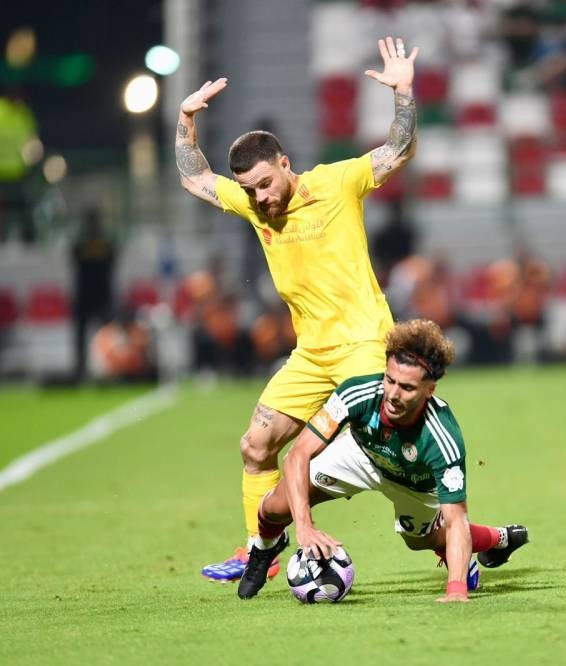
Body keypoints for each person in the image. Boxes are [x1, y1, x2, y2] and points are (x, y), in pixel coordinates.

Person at [175, 36, 420, 583]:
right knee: (255, 445)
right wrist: (186, 120)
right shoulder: (253, 205)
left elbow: (398, 150)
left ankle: (456, 544)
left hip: (363, 344)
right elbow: (194, 176)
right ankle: (258, 548)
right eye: (250, 190)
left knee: (384, 454)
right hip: (311, 355)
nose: (261, 197)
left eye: (266, 183)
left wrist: (403, 93)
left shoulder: (337, 182)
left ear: (286, 165)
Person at [236, 319, 529, 603]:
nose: (393, 395)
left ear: (430, 390)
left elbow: (456, 520)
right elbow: (297, 456)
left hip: (414, 484)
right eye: (390, 380)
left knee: (421, 541)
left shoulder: (442, 438)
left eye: (408, 388)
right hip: (360, 454)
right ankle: (265, 548)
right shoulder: (357, 392)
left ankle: (499, 538)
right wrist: (304, 527)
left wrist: (456, 591)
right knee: (275, 507)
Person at [71, 208, 116, 382]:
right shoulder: (83, 244)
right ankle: (81, 369)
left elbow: (113, 259)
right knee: (81, 337)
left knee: (107, 335)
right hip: (87, 295)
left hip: (101, 295)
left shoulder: (103, 244)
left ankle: (110, 367)